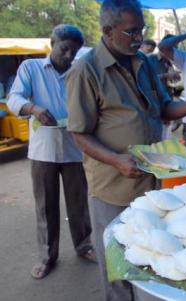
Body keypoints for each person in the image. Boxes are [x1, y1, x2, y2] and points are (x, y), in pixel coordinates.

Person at [65, 1, 186, 300]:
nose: (138, 38)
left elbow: (164, 108)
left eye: (141, 30)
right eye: (131, 32)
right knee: (116, 263)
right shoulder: (85, 71)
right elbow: (79, 133)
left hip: (151, 181)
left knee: (148, 254)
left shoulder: (143, 63)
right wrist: (116, 160)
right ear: (107, 31)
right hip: (113, 186)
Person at [7, 25, 95, 280]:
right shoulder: (31, 68)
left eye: (73, 51)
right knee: (46, 206)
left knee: (78, 203)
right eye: (64, 49)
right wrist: (33, 108)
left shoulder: (79, 71)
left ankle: (84, 245)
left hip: (74, 149)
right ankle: (47, 256)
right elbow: (14, 98)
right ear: (52, 44)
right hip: (42, 150)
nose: (68, 56)